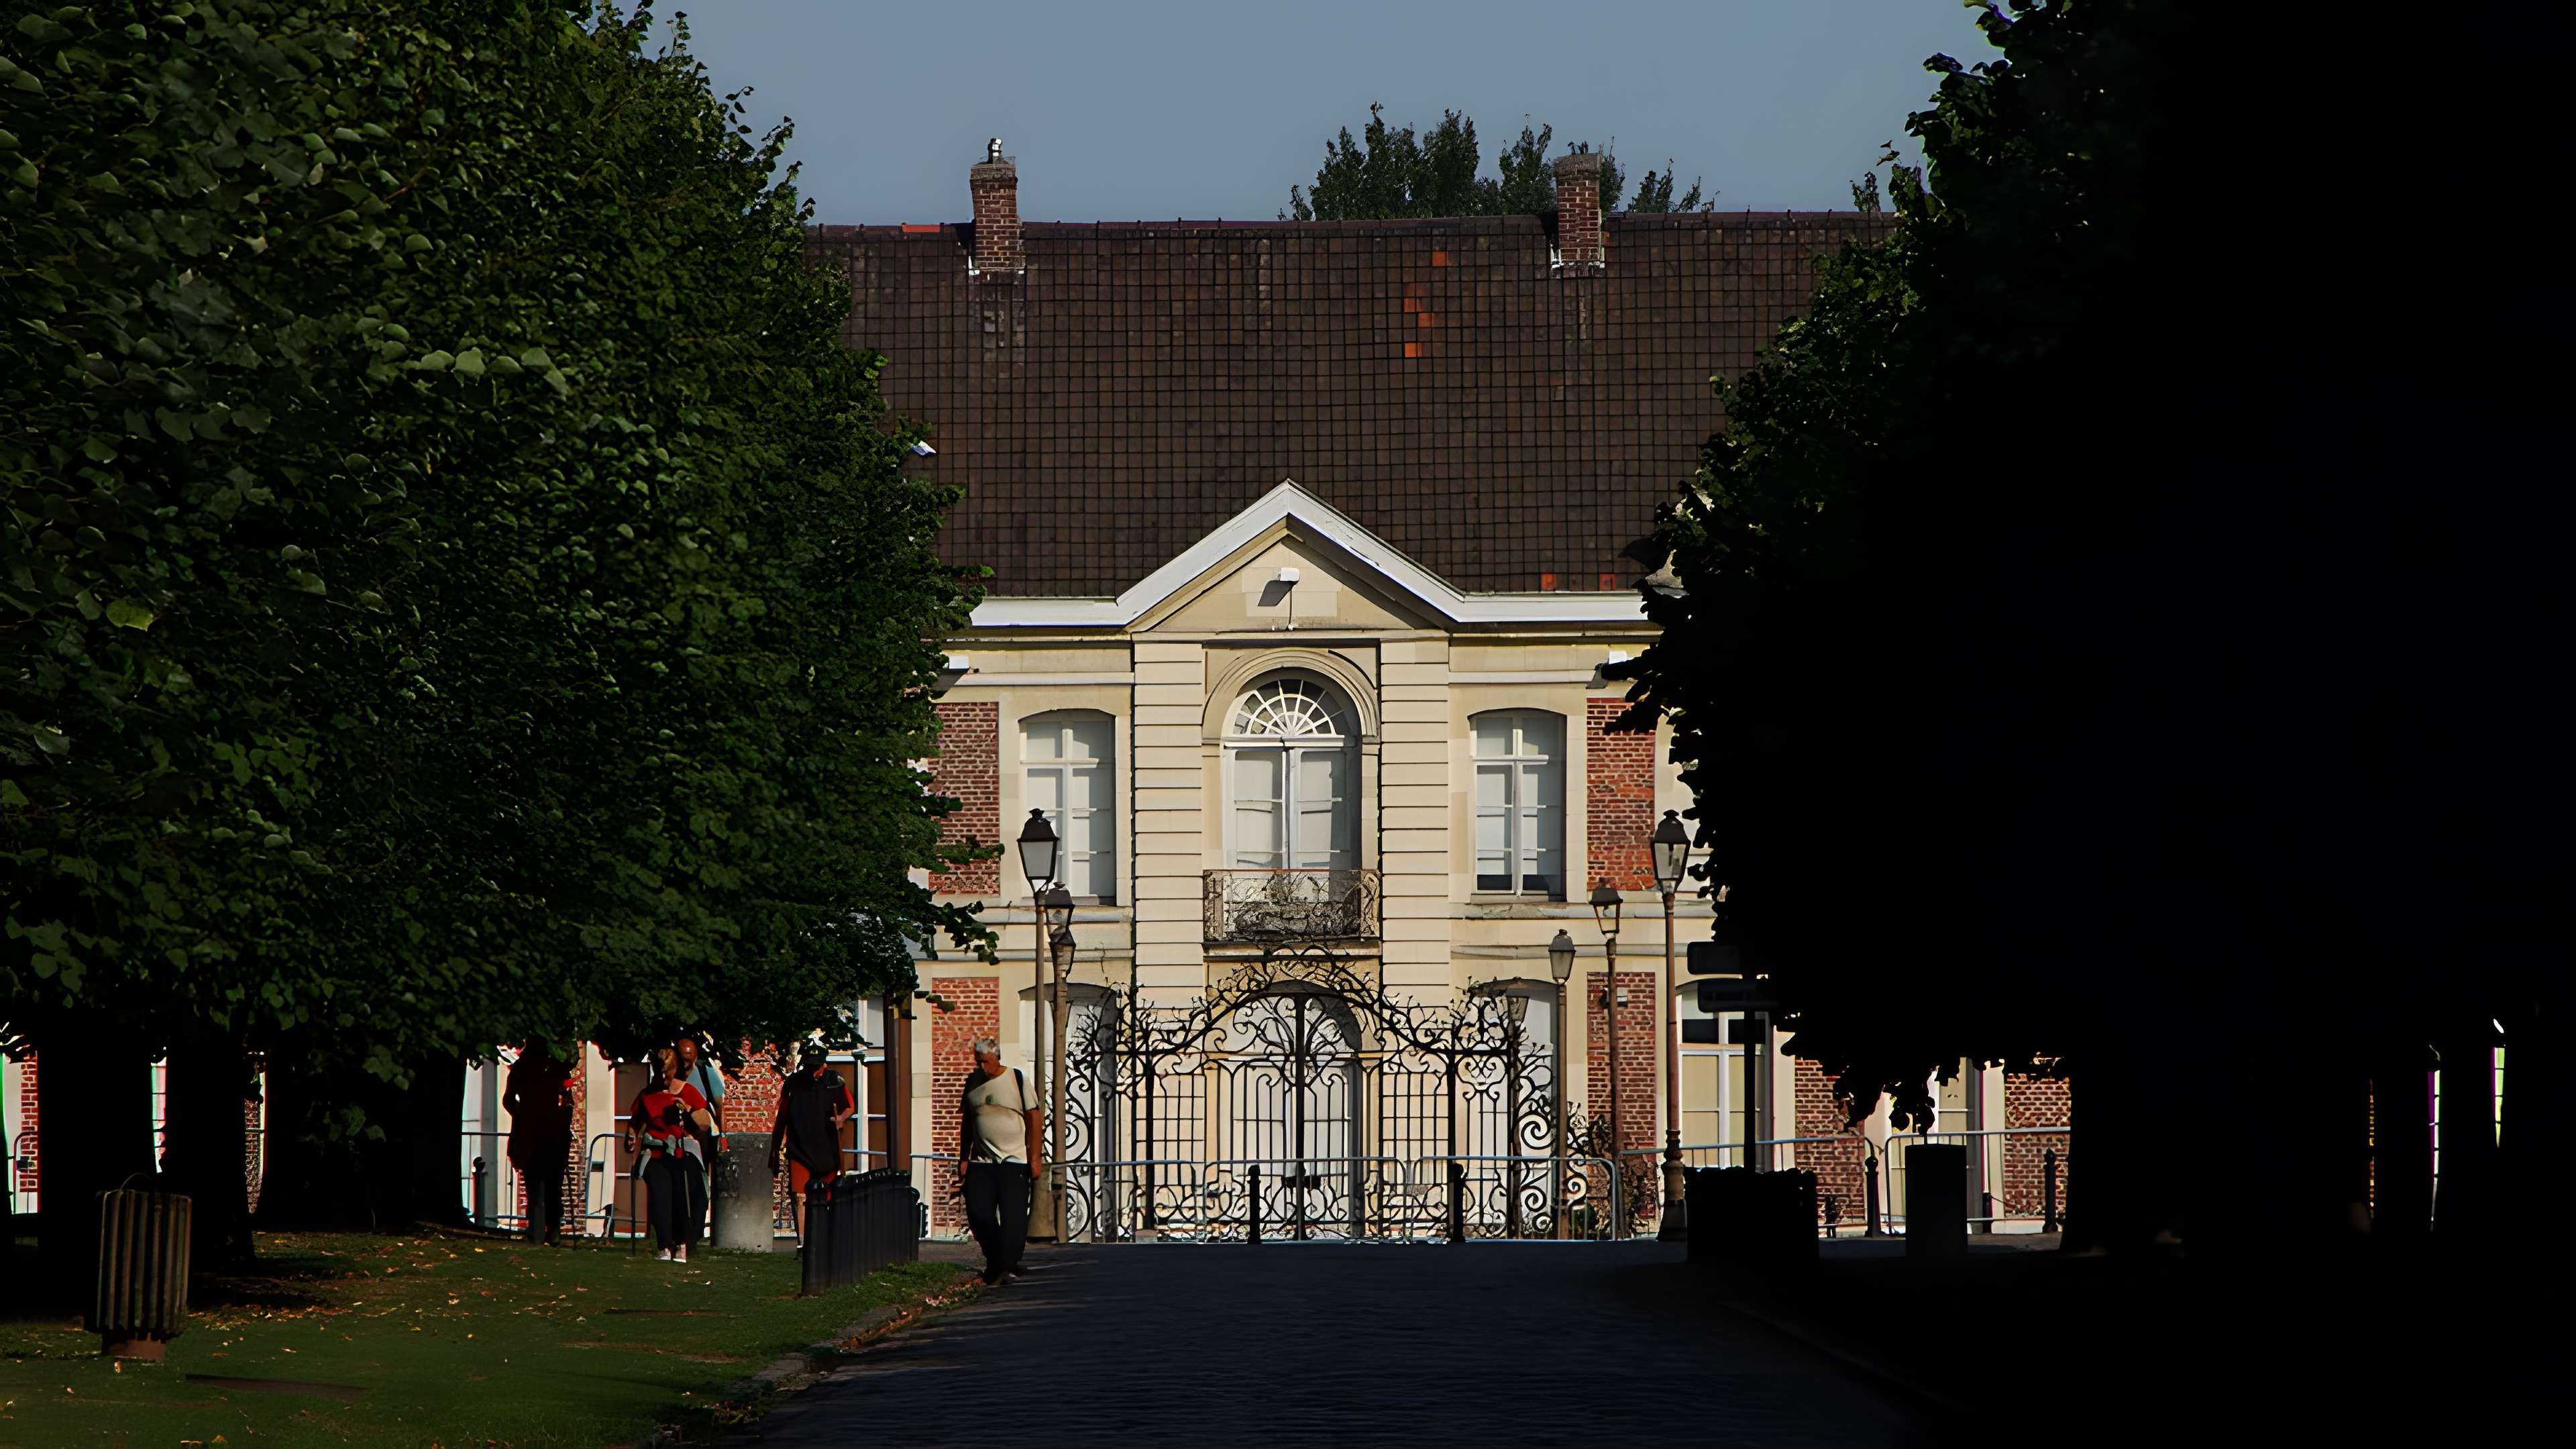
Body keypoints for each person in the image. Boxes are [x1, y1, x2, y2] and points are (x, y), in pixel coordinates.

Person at [958, 1037, 1041, 1286]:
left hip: (1013, 1160)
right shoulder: (973, 1082)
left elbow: (1034, 1118)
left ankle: (1006, 1264)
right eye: (978, 1062)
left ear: (996, 1058)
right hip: (981, 1162)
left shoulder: (1016, 1079)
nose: (981, 1067)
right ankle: (996, 1259)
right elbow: (967, 1122)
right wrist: (964, 1156)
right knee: (978, 1213)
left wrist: (1035, 1156)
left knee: (1013, 1218)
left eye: (985, 1062)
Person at [626, 1047, 713, 1263]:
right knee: (661, 1194)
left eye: (667, 1072)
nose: (663, 1077)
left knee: (686, 1196)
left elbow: (705, 1123)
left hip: (682, 1153)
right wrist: (630, 1137)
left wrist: (688, 1108)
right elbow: (635, 1122)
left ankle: (684, 1244)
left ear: (675, 1069)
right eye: (659, 1072)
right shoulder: (647, 1094)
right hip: (656, 1154)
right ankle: (664, 1245)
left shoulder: (687, 1091)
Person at [771, 1043, 856, 1241]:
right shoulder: (794, 1083)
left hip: (827, 1149)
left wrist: (841, 1119)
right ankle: (803, 1242)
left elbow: (850, 1106)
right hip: (800, 1146)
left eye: (816, 1066)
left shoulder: (835, 1081)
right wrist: (776, 1147)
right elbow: (782, 1115)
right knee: (800, 1196)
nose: (813, 1071)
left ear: (824, 1065)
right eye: (809, 1066)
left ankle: (823, 1237)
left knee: (825, 1195)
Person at [502, 1042, 578, 1245]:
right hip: (536, 1130)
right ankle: (542, 1226)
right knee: (540, 1181)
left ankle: (548, 1227)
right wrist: (522, 1115)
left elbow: (567, 1099)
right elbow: (509, 1099)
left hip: (548, 1130)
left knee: (546, 1182)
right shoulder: (526, 1068)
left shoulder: (552, 1068)